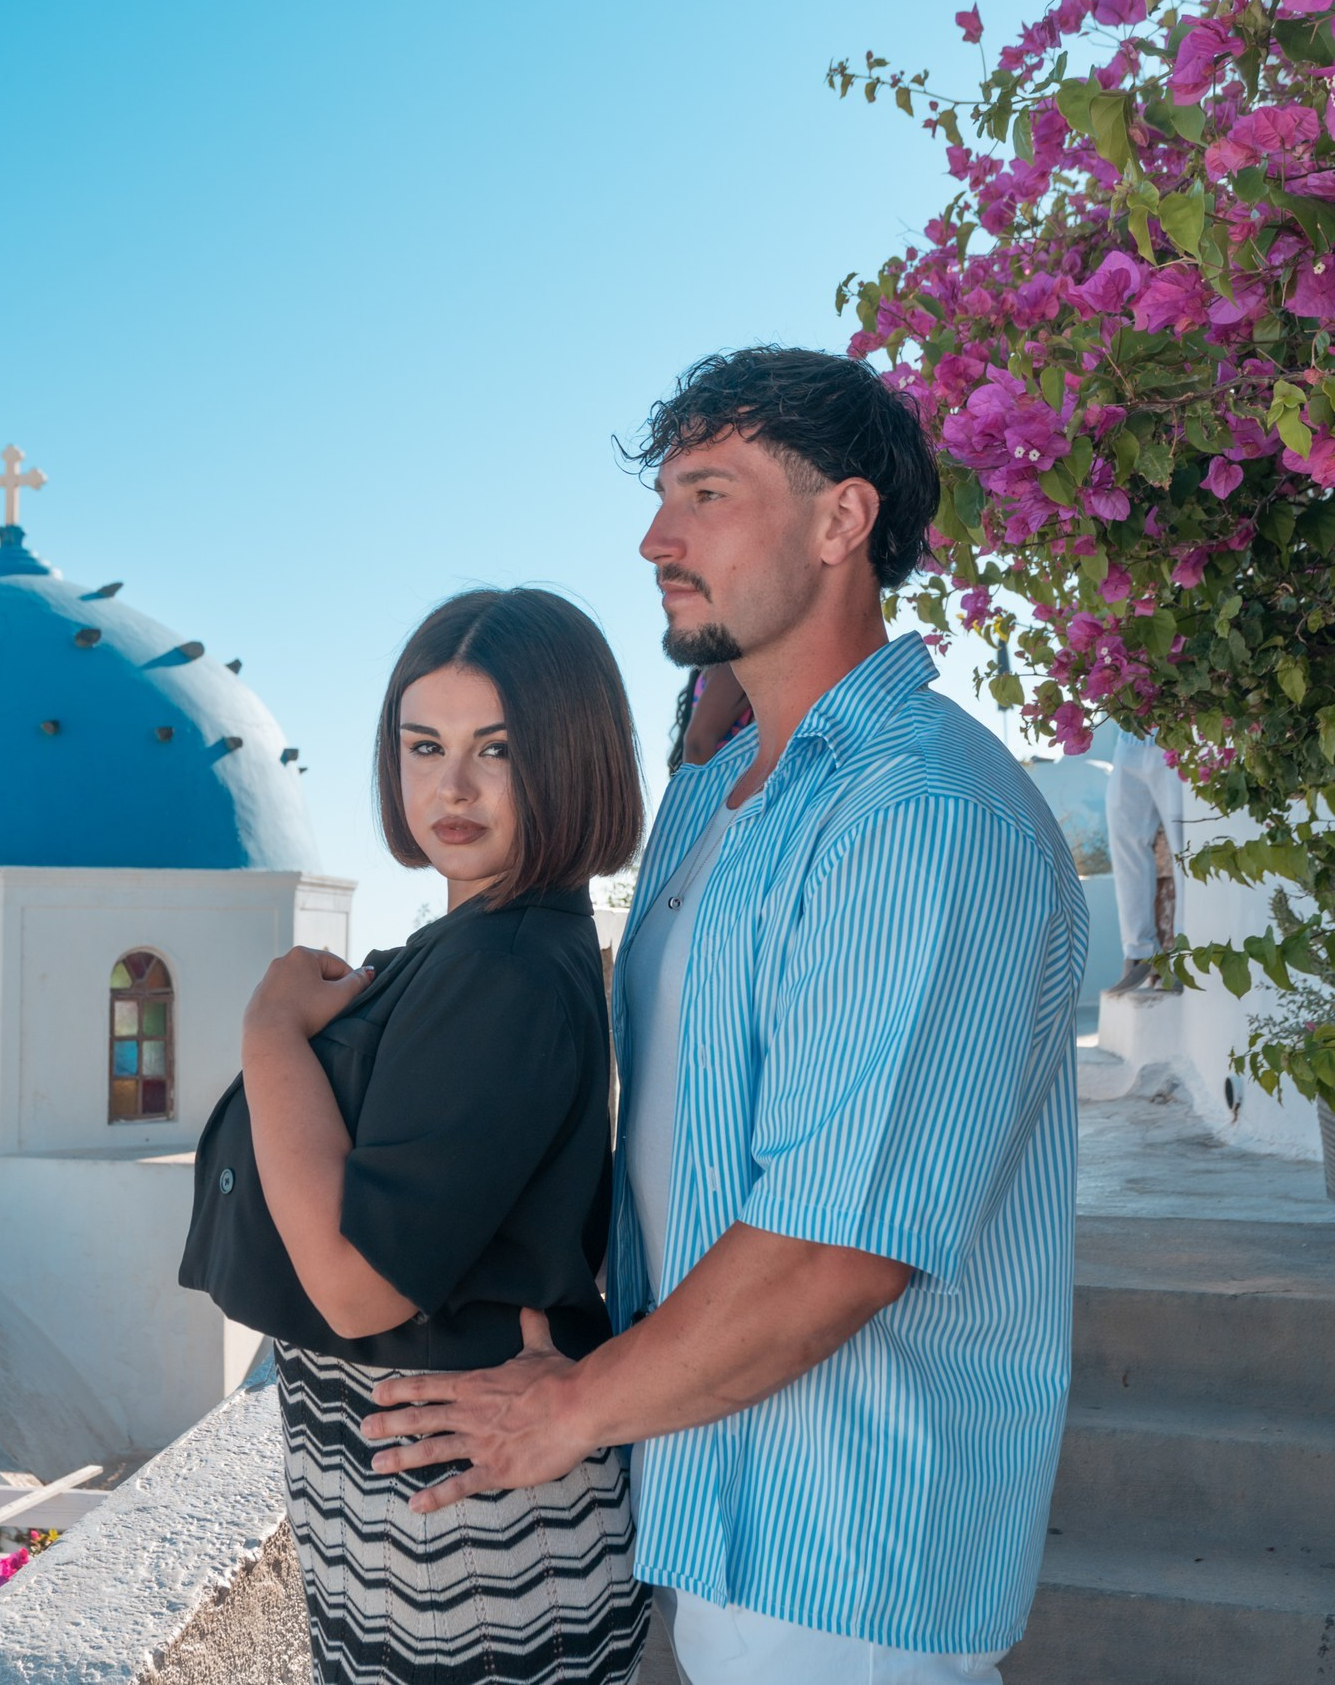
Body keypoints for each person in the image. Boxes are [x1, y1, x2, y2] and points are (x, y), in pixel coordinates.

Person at [361, 347, 1089, 1685]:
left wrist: (569, 1409)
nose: (653, 535)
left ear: (841, 519)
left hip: (850, 1543)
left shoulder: (913, 818)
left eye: (706, 492)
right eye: (660, 494)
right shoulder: (736, 797)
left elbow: (837, 1247)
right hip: (730, 1500)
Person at [178, 587, 651, 1685]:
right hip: (409, 1488)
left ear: (572, 757)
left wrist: (270, 1031)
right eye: (422, 744)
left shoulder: (503, 970)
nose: (452, 786)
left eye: (499, 749)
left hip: (455, 1529)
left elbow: (357, 1289)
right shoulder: (472, 944)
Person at [1099, 721, 1186, 993]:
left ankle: (1183, 957)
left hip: (1177, 735)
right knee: (1124, 841)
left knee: (1186, 848)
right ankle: (1139, 952)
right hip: (1130, 737)